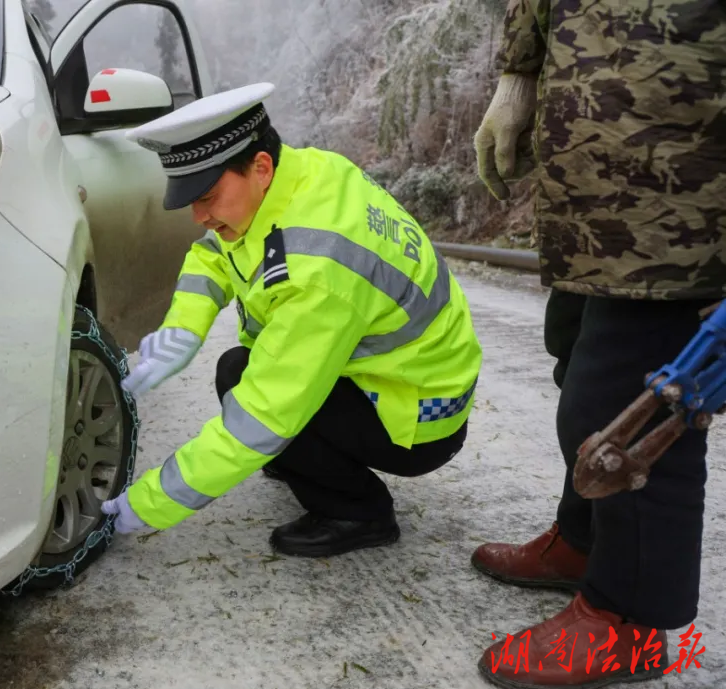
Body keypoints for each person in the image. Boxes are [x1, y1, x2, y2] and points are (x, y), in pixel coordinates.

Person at [99, 82, 482, 558]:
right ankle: (310, 458)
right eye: (189, 199)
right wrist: (184, 327)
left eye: (208, 195)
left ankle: (359, 513)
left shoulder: (319, 269)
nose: (199, 216)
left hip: (418, 418)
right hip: (403, 378)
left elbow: (262, 415)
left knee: (247, 390)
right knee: (239, 369)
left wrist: (150, 503)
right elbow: (216, 253)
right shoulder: (302, 175)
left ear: (259, 167)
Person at [471, 0, 725, 689]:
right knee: (580, 367)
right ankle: (583, 542)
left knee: (641, 405)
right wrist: (519, 70)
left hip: (688, 173)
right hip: (592, 177)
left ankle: (628, 618)